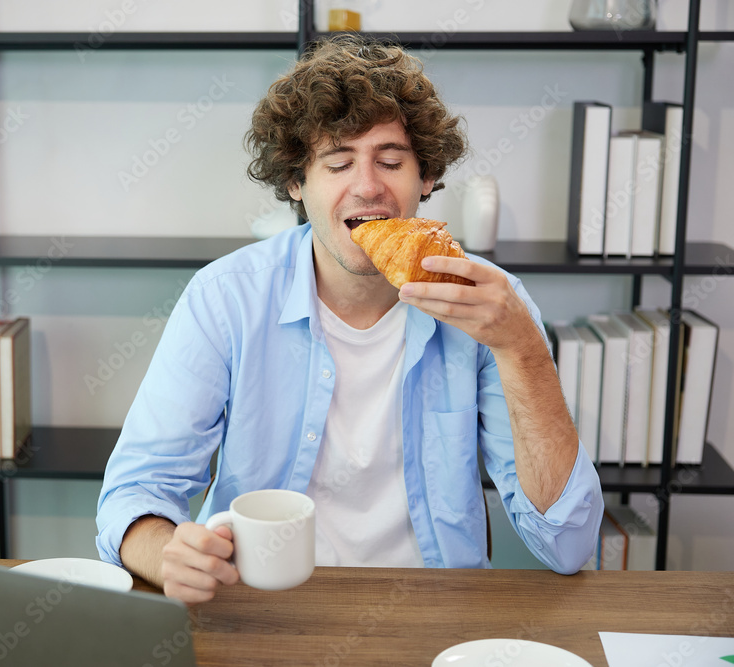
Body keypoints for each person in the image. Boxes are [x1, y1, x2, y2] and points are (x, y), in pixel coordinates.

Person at [96, 34, 603, 604]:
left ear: (426, 178)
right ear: (296, 183)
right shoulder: (226, 298)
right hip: (258, 606)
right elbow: (135, 492)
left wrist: (522, 349)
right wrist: (168, 556)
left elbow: (568, 545)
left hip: (435, 611)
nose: (367, 186)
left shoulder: (490, 303)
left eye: (391, 161)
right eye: (338, 162)